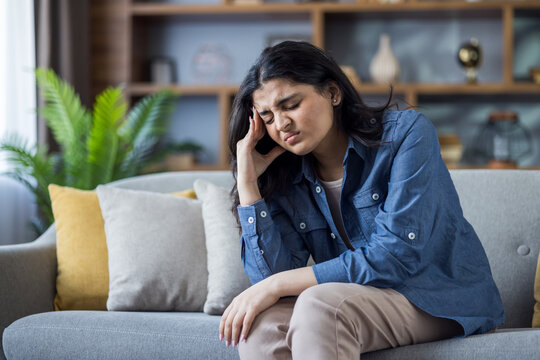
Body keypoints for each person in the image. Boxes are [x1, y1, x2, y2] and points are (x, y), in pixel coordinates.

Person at [219, 41, 505, 359]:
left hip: (438, 297)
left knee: (321, 305)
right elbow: (271, 279)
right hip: (360, 300)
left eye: (291, 104)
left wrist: (276, 286)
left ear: (332, 93)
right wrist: (248, 184)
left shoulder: (407, 135)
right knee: (259, 326)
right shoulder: (285, 174)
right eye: (268, 117)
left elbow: (394, 255)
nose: (281, 124)